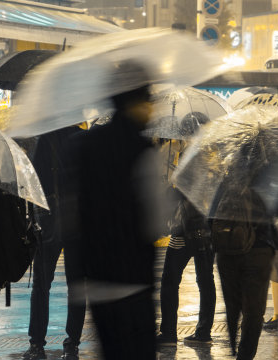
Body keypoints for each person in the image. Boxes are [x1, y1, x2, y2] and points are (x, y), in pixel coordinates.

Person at [71, 62, 161, 359]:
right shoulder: (142, 150)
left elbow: (76, 214)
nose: (151, 108)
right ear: (136, 101)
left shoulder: (85, 147)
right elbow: (156, 220)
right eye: (148, 99)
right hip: (134, 284)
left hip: (97, 282)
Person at [23, 126, 85, 360]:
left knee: (41, 284)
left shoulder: (44, 138)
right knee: (77, 286)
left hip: (49, 219)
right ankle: (72, 344)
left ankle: (37, 343)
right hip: (78, 219)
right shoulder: (83, 138)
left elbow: (33, 183)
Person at [213, 191, 278, 360]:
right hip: (259, 249)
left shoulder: (226, 180)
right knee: (254, 311)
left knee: (232, 304)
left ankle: (233, 344)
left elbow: (212, 213)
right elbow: (274, 212)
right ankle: (244, 355)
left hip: (227, 247)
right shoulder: (265, 182)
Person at [156, 195, 216, 346]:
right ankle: (204, 333)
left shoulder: (186, 178)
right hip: (208, 235)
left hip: (184, 232)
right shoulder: (213, 177)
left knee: (169, 282)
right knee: (206, 281)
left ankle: (168, 334)